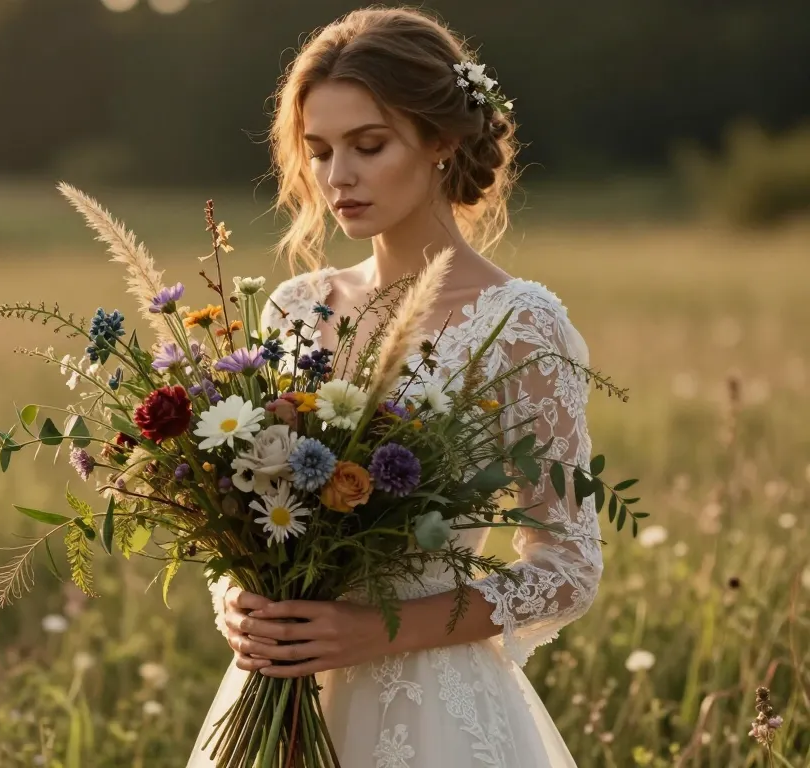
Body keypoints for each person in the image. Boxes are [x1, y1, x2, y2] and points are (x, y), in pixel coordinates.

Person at [189, 6, 602, 766]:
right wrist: (238, 601)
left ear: (441, 140)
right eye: (318, 151)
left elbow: (567, 566)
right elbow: (242, 508)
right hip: (282, 692)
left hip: (432, 707)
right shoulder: (296, 308)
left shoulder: (518, 324)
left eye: (368, 145)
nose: (336, 176)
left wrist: (378, 628)